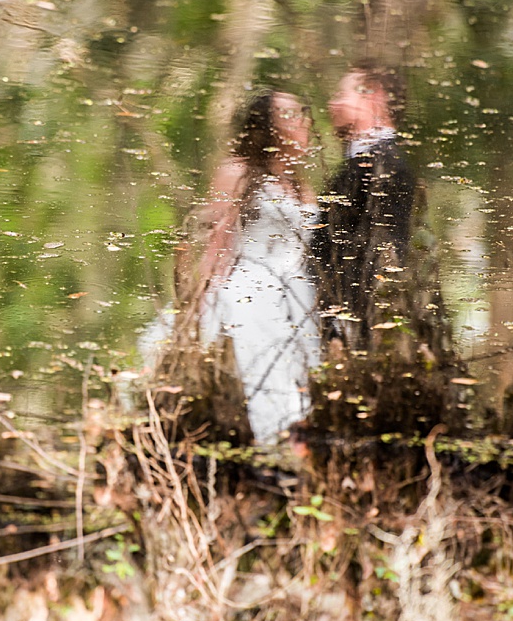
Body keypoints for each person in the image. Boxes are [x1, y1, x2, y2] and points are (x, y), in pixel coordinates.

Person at [142, 91, 321, 445]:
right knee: (254, 372)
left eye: (304, 113)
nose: (304, 121)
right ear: (267, 126)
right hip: (250, 292)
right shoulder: (236, 171)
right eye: (292, 115)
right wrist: (199, 300)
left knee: (299, 376)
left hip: (300, 296)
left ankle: (293, 448)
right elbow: (216, 244)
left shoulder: (301, 183)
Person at [311, 62, 418, 350]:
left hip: (355, 325)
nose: (333, 103)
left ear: (375, 96)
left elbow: (379, 252)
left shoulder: (385, 164)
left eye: (341, 93)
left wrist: (340, 321)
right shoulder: (360, 163)